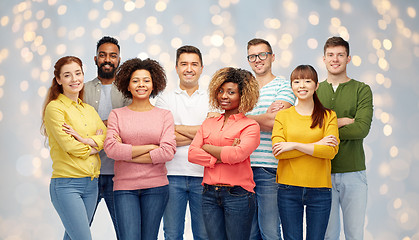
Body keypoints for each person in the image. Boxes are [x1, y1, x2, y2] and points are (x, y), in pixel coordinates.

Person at [103, 58, 176, 240]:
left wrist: (126, 153)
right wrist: (151, 148)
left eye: (146, 80)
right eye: (135, 81)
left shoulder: (164, 115)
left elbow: (167, 152)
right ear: (127, 85)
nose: (141, 85)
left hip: (156, 187)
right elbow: (111, 150)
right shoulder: (117, 115)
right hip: (124, 188)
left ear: (153, 85)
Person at [188, 67, 261, 240]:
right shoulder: (209, 123)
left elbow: (238, 155)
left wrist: (206, 147)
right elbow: (192, 154)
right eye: (220, 91)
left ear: (243, 95)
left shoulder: (250, 126)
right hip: (209, 194)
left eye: (231, 92)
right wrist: (222, 156)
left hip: (238, 195)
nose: (224, 96)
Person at [41, 56, 106, 240]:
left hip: (92, 185)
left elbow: (107, 137)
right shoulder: (55, 109)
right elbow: (71, 146)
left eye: (78, 73)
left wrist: (84, 140)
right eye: (67, 75)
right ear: (59, 80)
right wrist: (94, 145)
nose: (74, 79)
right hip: (67, 185)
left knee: (72, 237)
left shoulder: (88, 110)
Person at [271, 65, 339, 240]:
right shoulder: (283, 116)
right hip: (288, 188)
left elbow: (330, 151)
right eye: (297, 81)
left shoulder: (328, 116)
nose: (302, 85)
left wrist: (293, 145)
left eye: (307, 81)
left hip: (320, 189)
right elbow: (279, 151)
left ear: (316, 86)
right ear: (292, 86)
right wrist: (316, 144)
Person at [317, 36, 373, 240]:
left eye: (340, 55)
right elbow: (308, 130)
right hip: (321, 173)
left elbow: (361, 129)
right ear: (323, 59)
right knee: (328, 235)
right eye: (330, 55)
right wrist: (342, 121)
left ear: (348, 58)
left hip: (354, 172)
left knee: (354, 234)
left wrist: (325, 130)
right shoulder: (314, 90)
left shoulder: (362, 89)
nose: (335, 59)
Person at [155, 45, 210, 240]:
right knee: (172, 234)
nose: (189, 69)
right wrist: (202, 132)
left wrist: (176, 129)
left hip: (204, 176)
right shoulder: (164, 99)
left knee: (204, 235)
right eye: (184, 64)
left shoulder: (213, 99)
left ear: (202, 68)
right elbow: (164, 137)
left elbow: (213, 135)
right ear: (176, 68)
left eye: (194, 64)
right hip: (171, 176)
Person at [245, 38, 295, 240]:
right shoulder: (243, 89)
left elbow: (275, 121)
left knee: (270, 231)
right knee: (249, 233)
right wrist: (261, 117)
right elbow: (232, 124)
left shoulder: (284, 86)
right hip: (242, 168)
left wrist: (242, 119)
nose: (258, 60)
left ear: (272, 57)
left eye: (262, 54)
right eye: (252, 56)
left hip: (269, 168)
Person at [84, 36, 130, 239]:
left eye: (113, 55)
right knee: (78, 230)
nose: (107, 59)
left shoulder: (129, 90)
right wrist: (111, 124)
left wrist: (99, 127)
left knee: (126, 233)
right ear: (95, 59)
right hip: (87, 174)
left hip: (119, 176)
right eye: (103, 55)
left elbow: (132, 126)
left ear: (119, 60)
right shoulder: (81, 90)